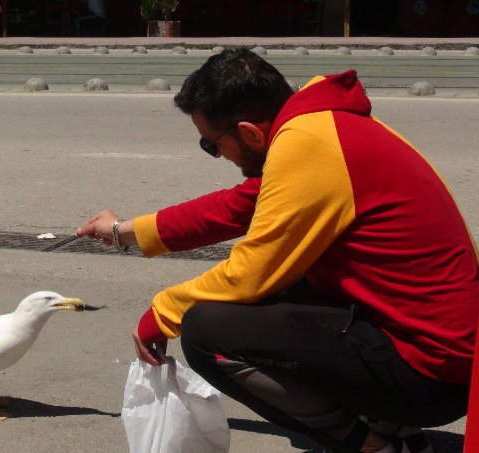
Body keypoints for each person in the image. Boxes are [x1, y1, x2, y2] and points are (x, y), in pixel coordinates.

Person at [76, 48, 477, 453]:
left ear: (250, 132)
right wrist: (120, 231)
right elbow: (234, 208)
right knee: (281, 288)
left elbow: (251, 273)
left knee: (205, 330)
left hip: (430, 373)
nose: (218, 156)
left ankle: (371, 443)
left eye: (211, 144)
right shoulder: (321, 124)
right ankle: (390, 426)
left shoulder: (307, 145)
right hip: (433, 350)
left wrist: (163, 312)